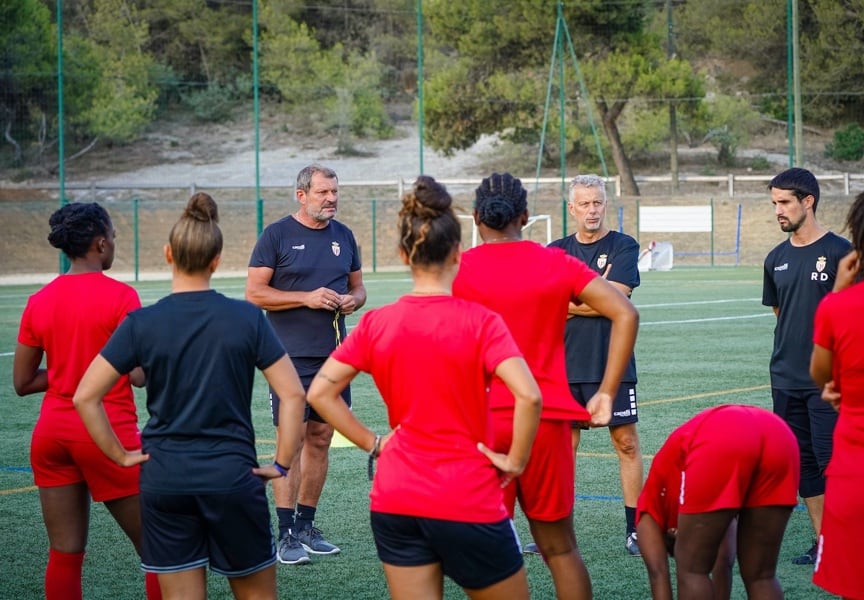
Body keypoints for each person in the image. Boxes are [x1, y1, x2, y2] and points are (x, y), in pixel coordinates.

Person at [305, 176, 543, 599]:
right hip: (467, 494)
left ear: (402, 254)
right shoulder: (481, 321)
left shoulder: (378, 323)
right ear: (457, 253)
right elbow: (529, 395)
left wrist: (374, 443)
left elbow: (320, 392)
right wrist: (516, 460)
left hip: (396, 497)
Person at [73, 193, 306, 600]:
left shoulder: (141, 323)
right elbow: (292, 395)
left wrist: (121, 456)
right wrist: (282, 463)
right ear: (216, 259)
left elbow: (84, 397)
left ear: (168, 254)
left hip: (165, 480)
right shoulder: (247, 318)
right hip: (233, 478)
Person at [452, 173, 639, 600]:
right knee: (560, 549)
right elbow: (626, 314)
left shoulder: (457, 269)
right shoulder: (556, 262)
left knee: (485, 550)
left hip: (481, 424)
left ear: (477, 217)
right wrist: (606, 391)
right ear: (525, 216)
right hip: (547, 420)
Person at [12, 202, 161, 600]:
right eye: (112, 237)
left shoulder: (39, 300)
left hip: (52, 435)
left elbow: (22, 382)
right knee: (161, 551)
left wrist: (69, 373)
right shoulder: (121, 296)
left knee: (64, 553)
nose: (113, 244)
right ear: (99, 243)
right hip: (107, 435)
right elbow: (138, 375)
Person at [246, 163, 366, 564]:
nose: (331, 199)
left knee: (319, 439)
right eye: (323, 193)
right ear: (302, 195)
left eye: (335, 192)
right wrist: (305, 297)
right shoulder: (276, 235)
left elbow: (358, 287)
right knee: (291, 441)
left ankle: (305, 526)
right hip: (287, 359)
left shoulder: (344, 236)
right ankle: (283, 536)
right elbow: (255, 293)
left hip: (335, 357)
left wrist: (354, 300)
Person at [809, 182, 864, 600]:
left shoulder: (838, 307)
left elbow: (820, 374)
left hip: (863, 477)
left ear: (863, 237)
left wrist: (839, 291)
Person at [548, 174, 644, 556]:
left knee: (626, 444)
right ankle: (559, 532)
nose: (592, 210)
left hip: (612, 365)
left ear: (607, 204)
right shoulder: (555, 251)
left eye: (598, 202)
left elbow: (619, 301)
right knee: (563, 449)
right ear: (571, 209)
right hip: (564, 366)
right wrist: (596, 295)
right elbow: (548, 304)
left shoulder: (624, 245)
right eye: (585, 203)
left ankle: (635, 529)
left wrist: (569, 303)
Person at [761, 167, 851, 565]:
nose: (778, 211)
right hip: (785, 378)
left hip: (830, 382)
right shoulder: (775, 258)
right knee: (804, 465)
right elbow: (781, 313)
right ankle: (824, 543)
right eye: (774, 203)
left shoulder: (841, 252)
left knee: (837, 464)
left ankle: (853, 541)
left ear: (808, 201)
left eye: (784, 203)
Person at [636, 404, 800, 600]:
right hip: (778, 434)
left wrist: (685, 555)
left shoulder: (648, 512)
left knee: (692, 570)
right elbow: (723, 564)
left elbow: (658, 574)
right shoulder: (707, 513)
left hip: (723, 435)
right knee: (761, 577)